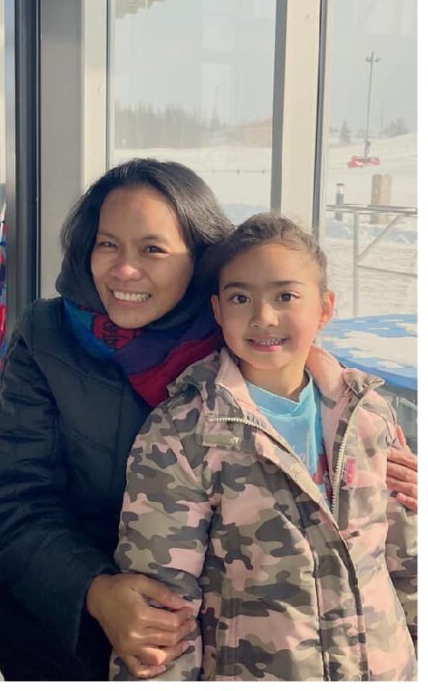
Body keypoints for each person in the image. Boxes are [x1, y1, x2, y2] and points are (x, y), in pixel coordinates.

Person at [0, 159, 419, 681]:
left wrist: (384, 479)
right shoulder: (50, 337)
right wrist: (95, 590)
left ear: (198, 259)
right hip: (59, 615)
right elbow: (12, 497)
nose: (125, 271)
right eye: (108, 245)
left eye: (153, 249)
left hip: (223, 633)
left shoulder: (243, 334)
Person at [112, 214, 416, 680]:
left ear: (325, 307)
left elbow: (407, 559)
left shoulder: (368, 414)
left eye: (286, 296)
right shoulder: (185, 432)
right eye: (240, 297)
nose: (264, 317)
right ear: (217, 310)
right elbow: (162, 609)